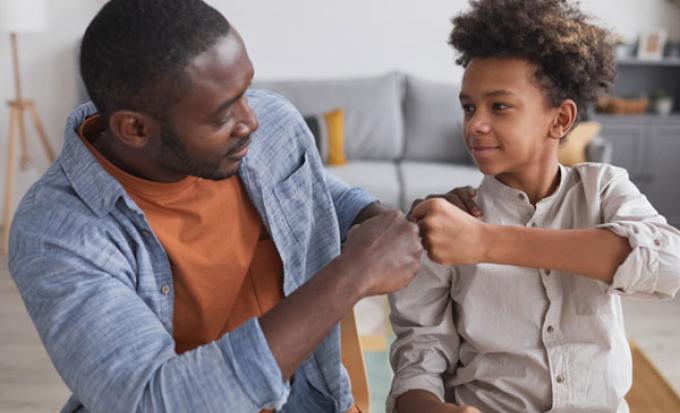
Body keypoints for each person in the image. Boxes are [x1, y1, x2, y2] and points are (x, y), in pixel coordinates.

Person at [6, 1, 433, 412]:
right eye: (222, 115)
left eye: (247, 90)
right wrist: (352, 275)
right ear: (134, 129)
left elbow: (317, 193)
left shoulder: (274, 127)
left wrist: (382, 220)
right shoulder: (55, 235)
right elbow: (154, 402)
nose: (252, 121)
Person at [388, 0, 680, 412]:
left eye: (499, 106)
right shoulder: (448, 220)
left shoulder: (602, 188)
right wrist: (426, 406)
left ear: (560, 120)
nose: (475, 125)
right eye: (468, 107)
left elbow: (669, 265)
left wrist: (487, 243)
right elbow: (418, 354)